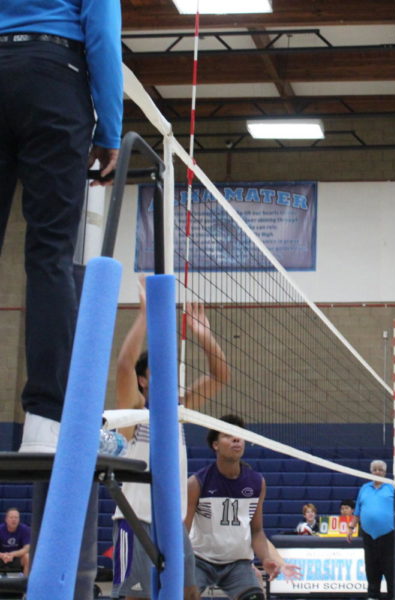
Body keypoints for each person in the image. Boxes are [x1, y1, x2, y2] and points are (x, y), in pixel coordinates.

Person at [2, 0, 122, 454]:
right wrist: (109, 131)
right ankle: (46, 419)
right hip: (53, 77)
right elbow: (103, 37)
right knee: (50, 253)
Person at [111, 281, 228, 600]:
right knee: (136, 598)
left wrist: (205, 337)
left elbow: (220, 377)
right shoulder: (135, 412)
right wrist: (145, 316)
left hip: (172, 525)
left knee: (190, 594)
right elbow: (123, 365)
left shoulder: (179, 409)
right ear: (143, 379)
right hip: (136, 523)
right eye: (158, 370)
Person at [185, 414, 299, 600]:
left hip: (237, 563)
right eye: (228, 435)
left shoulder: (256, 482)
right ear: (215, 445)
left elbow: (256, 532)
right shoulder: (197, 483)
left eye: (239, 434)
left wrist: (267, 559)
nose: (236, 438)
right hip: (200, 560)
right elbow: (183, 530)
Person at [347, 460, 395, 600]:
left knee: (390, 569)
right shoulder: (364, 488)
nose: (377, 472)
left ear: (385, 472)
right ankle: (373, 596)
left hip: (388, 536)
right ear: (371, 471)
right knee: (371, 569)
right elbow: (357, 512)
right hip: (368, 536)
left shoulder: (392, 487)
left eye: (380, 470)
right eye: (375, 469)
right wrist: (351, 528)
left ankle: (393, 596)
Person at [0, 508, 30, 576]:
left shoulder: (25, 529)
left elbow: (27, 548)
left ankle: (24, 583)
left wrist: (12, 554)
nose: (14, 520)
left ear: (19, 519)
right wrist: (2, 555)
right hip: (2, 557)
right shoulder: (0, 529)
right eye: (11, 517)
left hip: (17, 558)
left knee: (28, 557)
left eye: (16, 517)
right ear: (6, 519)